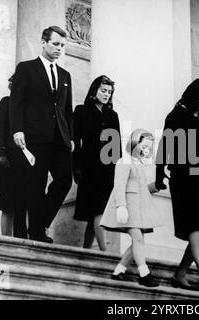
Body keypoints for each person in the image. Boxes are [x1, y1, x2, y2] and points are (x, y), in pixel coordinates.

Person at [9, 26, 74, 243]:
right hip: (35, 138)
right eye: (56, 44)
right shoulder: (27, 69)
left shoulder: (65, 75)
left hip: (59, 140)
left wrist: (71, 137)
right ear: (43, 42)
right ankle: (36, 232)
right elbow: (16, 103)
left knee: (65, 179)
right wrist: (17, 130)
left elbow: (67, 110)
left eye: (63, 46)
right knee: (36, 185)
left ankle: (40, 222)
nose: (59, 49)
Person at [155, 78, 199, 294]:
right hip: (183, 176)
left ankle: (181, 273)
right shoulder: (176, 115)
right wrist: (159, 173)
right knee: (195, 224)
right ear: (194, 94)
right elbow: (164, 145)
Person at [100, 129, 164, 287]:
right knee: (138, 239)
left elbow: (141, 188)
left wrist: (156, 186)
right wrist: (121, 206)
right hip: (128, 208)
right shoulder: (125, 161)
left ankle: (119, 270)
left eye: (148, 147)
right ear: (135, 143)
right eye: (143, 146)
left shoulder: (139, 164)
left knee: (138, 240)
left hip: (138, 209)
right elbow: (119, 185)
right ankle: (144, 273)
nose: (145, 150)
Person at [73, 75, 121, 250]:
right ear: (94, 91)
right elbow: (75, 141)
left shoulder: (112, 115)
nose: (107, 94)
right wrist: (76, 167)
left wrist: (118, 171)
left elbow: (116, 146)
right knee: (96, 210)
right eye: (103, 90)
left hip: (107, 169)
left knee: (99, 210)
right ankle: (104, 250)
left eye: (109, 92)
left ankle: (86, 250)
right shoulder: (81, 111)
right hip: (88, 167)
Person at [0, 75, 27, 238]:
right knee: (7, 205)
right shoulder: (6, 102)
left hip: (25, 162)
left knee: (23, 204)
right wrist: (1, 153)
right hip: (8, 161)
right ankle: (6, 239)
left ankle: (20, 238)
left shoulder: (28, 107)